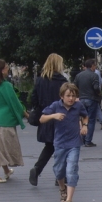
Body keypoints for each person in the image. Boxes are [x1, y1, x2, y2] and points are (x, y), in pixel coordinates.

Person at [40, 83, 88, 202]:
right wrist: (54, 116)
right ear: (62, 96)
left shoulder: (78, 106)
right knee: (59, 170)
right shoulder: (56, 106)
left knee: (71, 170)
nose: (71, 99)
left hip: (74, 143)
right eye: (68, 96)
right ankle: (62, 189)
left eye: (73, 96)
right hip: (60, 143)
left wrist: (84, 126)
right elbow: (42, 119)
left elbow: (85, 115)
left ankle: (69, 200)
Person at [28, 53, 68, 186]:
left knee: (50, 146)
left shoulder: (40, 80)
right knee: (62, 147)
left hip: (45, 117)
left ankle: (37, 169)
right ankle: (60, 176)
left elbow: (33, 99)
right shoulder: (63, 81)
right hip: (59, 117)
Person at [72, 59, 100, 146]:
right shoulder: (94, 75)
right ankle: (88, 140)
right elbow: (96, 88)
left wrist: (77, 96)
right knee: (91, 120)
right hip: (91, 99)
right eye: (95, 65)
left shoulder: (79, 75)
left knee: (83, 119)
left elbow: (74, 87)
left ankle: (82, 138)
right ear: (92, 66)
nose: (95, 67)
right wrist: (98, 92)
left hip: (81, 99)